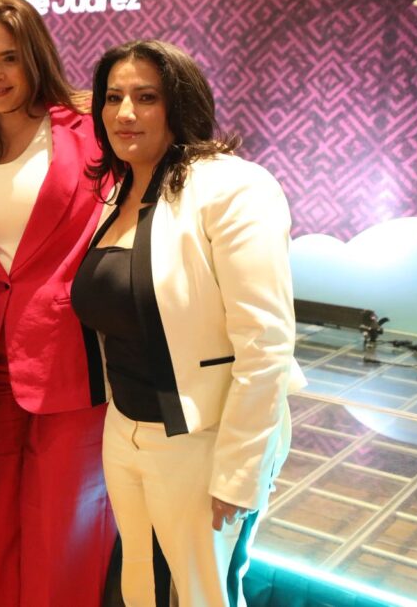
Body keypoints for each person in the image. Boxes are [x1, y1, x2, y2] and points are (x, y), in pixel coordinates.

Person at [71, 39, 306, 606]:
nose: (125, 113)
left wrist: (239, 470)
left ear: (180, 103)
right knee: (142, 585)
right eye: (113, 98)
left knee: (202, 595)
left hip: (204, 437)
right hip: (126, 428)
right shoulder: (120, 191)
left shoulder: (234, 186)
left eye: (146, 97)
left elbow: (266, 343)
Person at [0, 0, 116, 607]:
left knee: (64, 519)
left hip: (73, 354)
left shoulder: (88, 132)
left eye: (9, 58)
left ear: (35, 57)